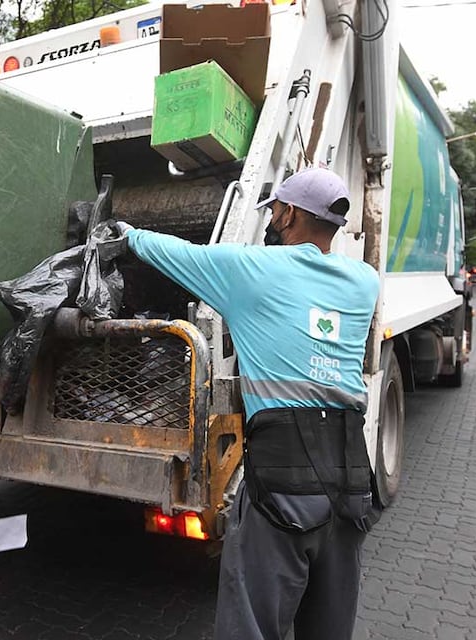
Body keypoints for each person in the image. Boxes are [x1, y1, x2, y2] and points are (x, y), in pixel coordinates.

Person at [118, 167, 380, 640]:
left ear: (290, 213)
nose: (272, 218)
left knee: (252, 626)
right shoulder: (364, 282)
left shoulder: (252, 271)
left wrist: (125, 232)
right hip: (351, 481)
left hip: (283, 480)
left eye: (275, 210)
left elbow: (177, 254)